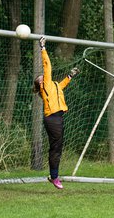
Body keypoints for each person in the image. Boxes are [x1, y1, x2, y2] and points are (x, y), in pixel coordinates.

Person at [33, 36, 80, 189]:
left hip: (57, 119)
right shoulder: (45, 85)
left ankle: (53, 175)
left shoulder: (53, 86)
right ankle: (54, 177)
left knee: (57, 147)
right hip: (52, 119)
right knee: (56, 148)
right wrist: (43, 48)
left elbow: (61, 85)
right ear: (40, 83)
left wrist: (70, 76)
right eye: (40, 78)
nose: (42, 76)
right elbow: (47, 66)